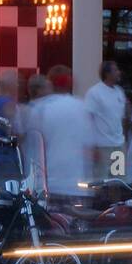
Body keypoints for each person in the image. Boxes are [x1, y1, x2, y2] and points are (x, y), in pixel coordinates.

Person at [32, 66, 93, 200]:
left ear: (49, 83)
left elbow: (31, 147)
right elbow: (90, 148)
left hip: (47, 183)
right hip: (76, 183)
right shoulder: (82, 107)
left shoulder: (39, 108)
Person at [84, 60, 127, 182]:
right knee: (100, 182)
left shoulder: (120, 91)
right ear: (107, 74)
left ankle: (116, 202)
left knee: (119, 182)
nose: (119, 72)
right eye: (115, 70)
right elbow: (89, 120)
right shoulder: (94, 92)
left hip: (118, 146)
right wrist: (93, 146)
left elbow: (122, 118)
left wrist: (123, 139)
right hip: (102, 146)